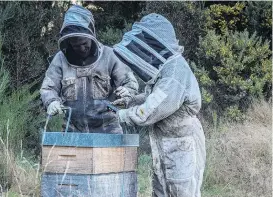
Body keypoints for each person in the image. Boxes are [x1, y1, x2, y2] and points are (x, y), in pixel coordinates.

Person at [113, 13, 206, 197]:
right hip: (166, 144)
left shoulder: (174, 73)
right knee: (161, 191)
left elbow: (150, 111)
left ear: (156, 43)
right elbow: (153, 98)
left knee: (180, 192)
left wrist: (121, 115)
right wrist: (129, 101)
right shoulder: (165, 69)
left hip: (181, 146)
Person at [40, 5, 138, 134]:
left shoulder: (110, 56)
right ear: (69, 43)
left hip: (108, 130)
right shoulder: (60, 59)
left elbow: (130, 83)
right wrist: (51, 102)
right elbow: (48, 88)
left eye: (84, 44)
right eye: (76, 46)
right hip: (72, 131)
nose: (81, 49)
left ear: (92, 37)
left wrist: (126, 92)